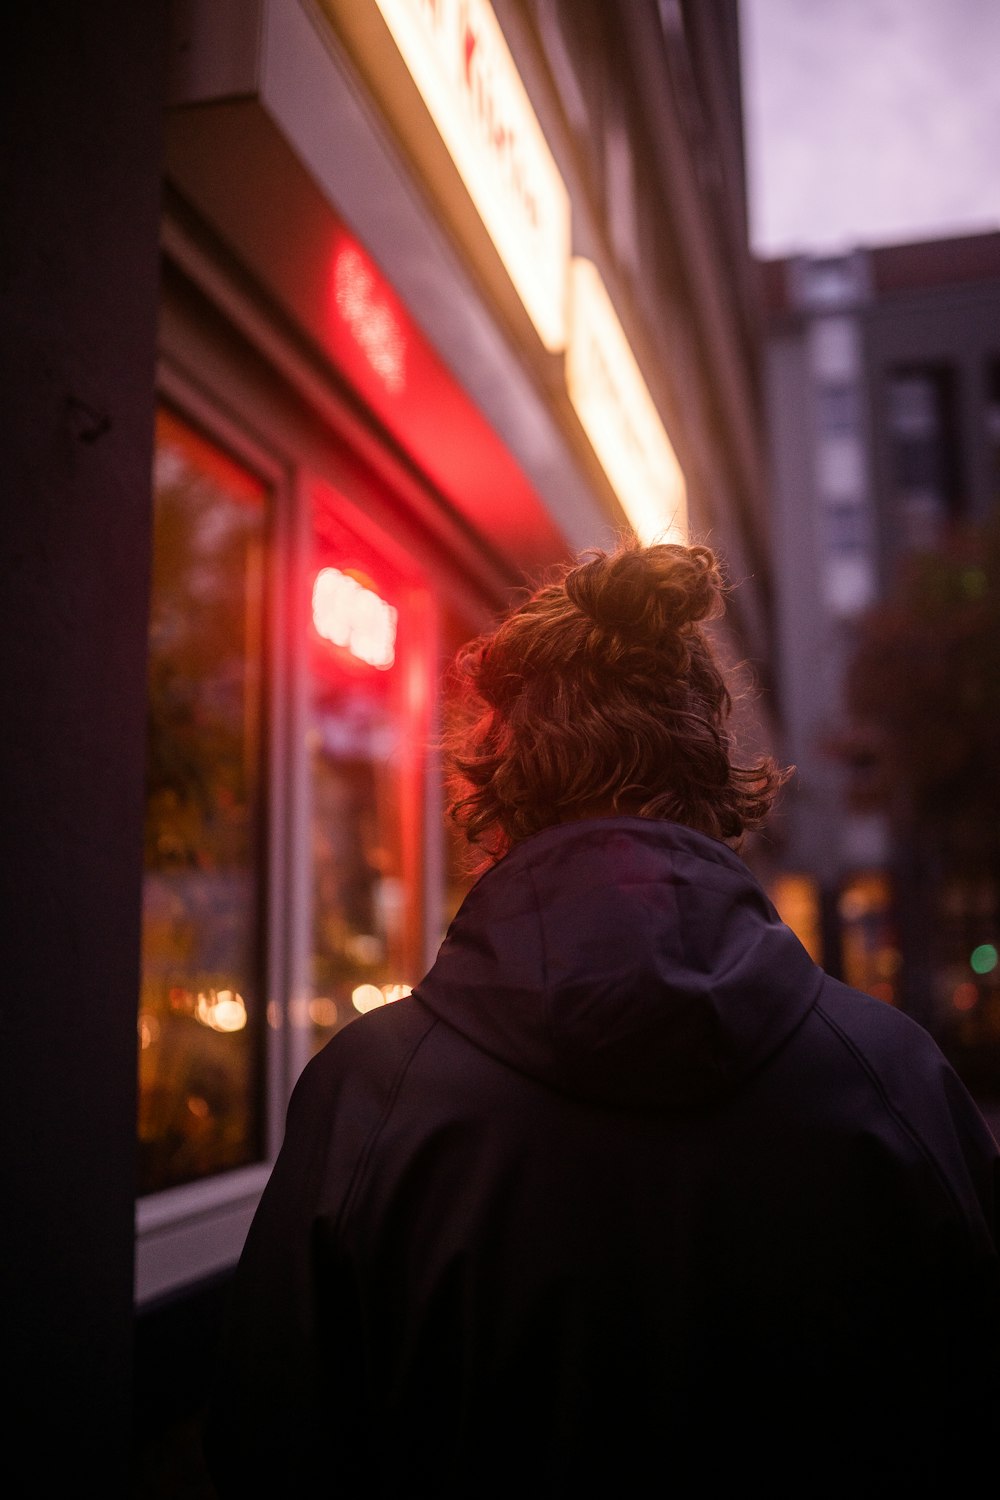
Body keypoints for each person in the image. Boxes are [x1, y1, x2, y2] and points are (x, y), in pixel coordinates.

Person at [202, 538, 1000, 1497]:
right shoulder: (895, 1079)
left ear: (494, 799)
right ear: (717, 786)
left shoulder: (372, 1098)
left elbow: (274, 1453)